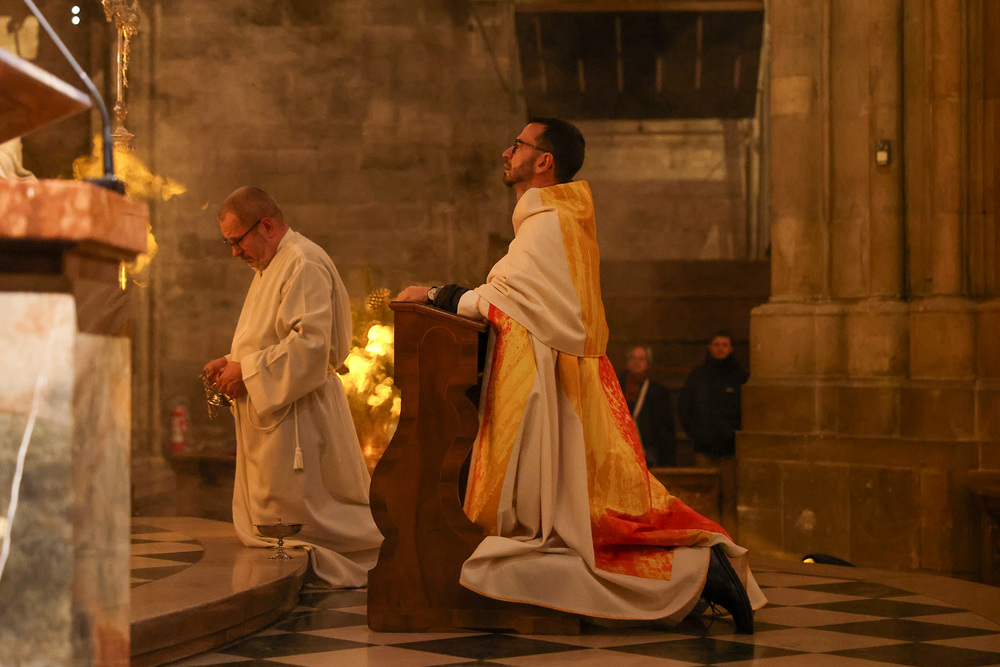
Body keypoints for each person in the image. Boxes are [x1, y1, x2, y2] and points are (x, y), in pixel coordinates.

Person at [397, 119, 764, 632]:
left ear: (543, 161)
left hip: (553, 392)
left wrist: (437, 295)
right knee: (569, 524)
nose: (506, 152)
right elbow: (514, 294)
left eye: (518, 145)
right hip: (559, 382)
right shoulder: (552, 218)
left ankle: (697, 572)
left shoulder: (550, 222)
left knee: (571, 530)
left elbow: (504, 297)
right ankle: (700, 572)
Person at [202, 186, 382, 588]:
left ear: (266, 225)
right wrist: (232, 362)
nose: (234, 253)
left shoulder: (302, 262)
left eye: (237, 241)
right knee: (286, 518)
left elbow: (311, 346)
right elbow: (270, 337)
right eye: (229, 243)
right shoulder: (272, 265)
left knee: (317, 518)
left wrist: (246, 370)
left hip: (303, 414)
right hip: (281, 413)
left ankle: (368, 562)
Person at [677, 330, 749, 532]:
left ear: (731, 349)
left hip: (730, 452)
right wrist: (696, 434)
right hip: (704, 449)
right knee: (707, 497)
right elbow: (685, 407)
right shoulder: (698, 376)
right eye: (717, 344)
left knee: (729, 497)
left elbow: (747, 411)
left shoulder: (740, 378)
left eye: (724, 345)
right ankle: (709, 538)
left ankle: (729, 539)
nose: (720, 349)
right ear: (710, 347)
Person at [617, 346, 677, 467]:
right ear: (628, 363)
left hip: (649, 451)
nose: (636, 362)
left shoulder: (658, 392)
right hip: (622, 449)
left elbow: (665, 426)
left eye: (641, 359)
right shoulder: (617, 388)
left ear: (648, 364)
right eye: (633, 358)